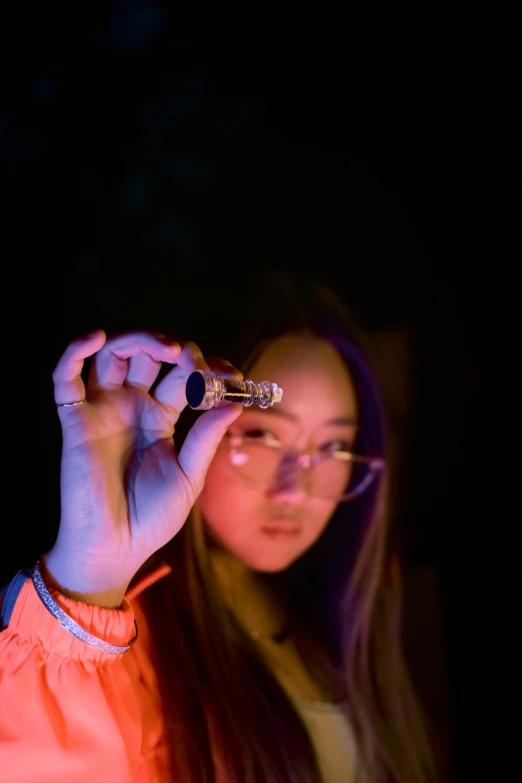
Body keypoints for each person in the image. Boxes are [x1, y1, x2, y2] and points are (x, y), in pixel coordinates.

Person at [0, 273, 441, 782]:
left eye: (333, 447)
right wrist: (90, 570)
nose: (296, 487)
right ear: (186, 422)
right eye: (262, 434)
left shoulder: (357, 621)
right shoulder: (127, 654)